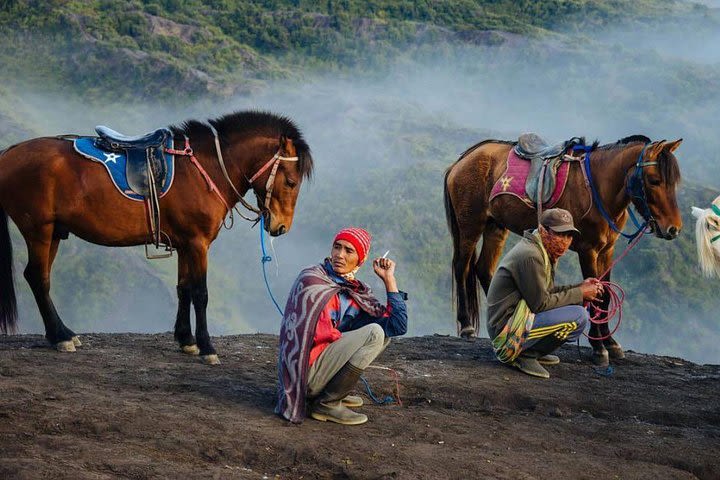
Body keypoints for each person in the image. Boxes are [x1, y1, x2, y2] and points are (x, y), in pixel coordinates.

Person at [276, 227, 408, 425]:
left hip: (322, 366)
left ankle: (331, 392)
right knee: (373, 332)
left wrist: (389, 279)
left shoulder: (354, 292)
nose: (340, 255)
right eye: (337, 247)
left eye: (349, 251)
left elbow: (397, 325)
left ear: (360, 260)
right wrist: (349, 335)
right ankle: (326, 403)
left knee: (383, 335)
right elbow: (316, 338)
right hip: (304, 375)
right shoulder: (313, 282)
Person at [486, 208, 602, 378]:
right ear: (542, 230)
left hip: (516, 319)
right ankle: (525, 354)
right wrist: (580, 293)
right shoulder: (531, 255)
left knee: (576, 311)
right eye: (559, 234)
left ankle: (532, 349)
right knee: (579, 317)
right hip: (505, 333)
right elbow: (541, 304)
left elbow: (545, 292)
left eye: (569, 236)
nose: (565, 241)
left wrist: (580, 287)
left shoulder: (542, 250)